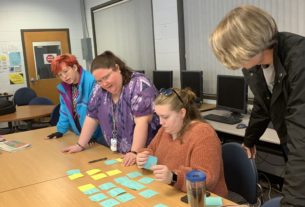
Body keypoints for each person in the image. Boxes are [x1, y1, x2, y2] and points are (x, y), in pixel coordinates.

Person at [210, 5, 305, 206]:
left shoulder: (300, 60)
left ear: (249, 43)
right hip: (294, 144)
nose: (233, 63)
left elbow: (302, 139)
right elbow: (263, 104)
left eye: (234, 54)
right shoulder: (254, 65)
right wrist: (250, 140)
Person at [62, 51, 160, 167]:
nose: (104, 84)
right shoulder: (98, 89)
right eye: (99, 81)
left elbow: (142, 122)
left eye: (106, 77)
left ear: (117, 68)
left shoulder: (138, 84)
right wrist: (80, 145)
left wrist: (134, 152)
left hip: (145, 154)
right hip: (120, 155)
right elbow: (92, 117)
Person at [136, 88, 228, 197]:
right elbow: (152, 152)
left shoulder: (203, 134)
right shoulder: (165, 130)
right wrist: (145, 159)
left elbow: (207, 179)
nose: (160, 122)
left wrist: (174, 177)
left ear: (182, 113)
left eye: (165, 117)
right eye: (158, 116)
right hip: (172, 192)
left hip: (202, 199)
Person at [47, 54, 103, 143]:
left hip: (99, 136)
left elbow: (97, 112)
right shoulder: (65, 88)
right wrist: (60, 130)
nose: (64, 77)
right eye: (60, 75)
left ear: (74, 67)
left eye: (65, 71)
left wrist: (91, 135)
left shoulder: (92, 82)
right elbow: (65, 111)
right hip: (82, 136)